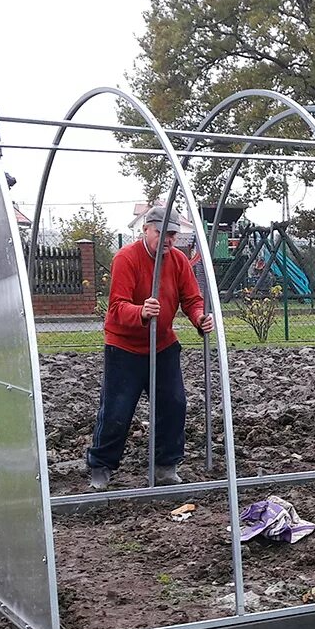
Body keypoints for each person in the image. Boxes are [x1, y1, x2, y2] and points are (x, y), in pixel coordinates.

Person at [87, 206, 214, 490]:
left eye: (172, 235)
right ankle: (101, 466)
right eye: (161, 233)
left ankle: (166, 466)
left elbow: (192, 299)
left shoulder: (179, 261)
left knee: (174, 403)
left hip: (163, 344)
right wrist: (142, 311)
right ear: (146, 229)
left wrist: (200, 317)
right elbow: (117, 308)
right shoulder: (126, 258)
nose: (167, 240)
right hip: (125, 348)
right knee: (117, 409)